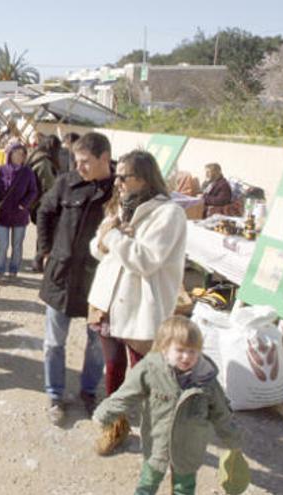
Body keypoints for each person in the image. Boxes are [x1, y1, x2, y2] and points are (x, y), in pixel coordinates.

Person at [88, 150, 187, 455]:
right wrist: (111, 236)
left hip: (139, 309)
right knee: (113, 369)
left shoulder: (168, 214)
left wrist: (116, 238)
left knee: (147, 377)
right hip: (108, 302)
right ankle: (116, 428)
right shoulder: (121, 207)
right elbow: (97, 247)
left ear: (144, 179)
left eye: (123, 176)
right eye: (117, 175)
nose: (116, 182)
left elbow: (146, 261)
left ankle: (160, 433)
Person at [93, 316, 243, 495]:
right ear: (164, 349)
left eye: (193, 351)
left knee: (184, 487)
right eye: (180, 350)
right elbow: (125, 395)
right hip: (157, 442)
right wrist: (104, 413)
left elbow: (221, 412)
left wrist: (232, 439)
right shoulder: (150, 369)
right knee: (147, 483)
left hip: (189, 446)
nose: (187, 356)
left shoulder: (206, 379)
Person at [37, 132, 115, 425]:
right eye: (75, 161)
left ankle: (88, 393)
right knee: (54, 342)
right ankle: (55, 395)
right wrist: (45, 250)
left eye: (84, 162)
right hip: (61, 274)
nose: (78, 167)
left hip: (99, 281)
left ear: (104, 159)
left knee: (96, 343)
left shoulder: (118, 191)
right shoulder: (66, 183)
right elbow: (44, 211)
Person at [0, 142, 38, 279]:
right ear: (10, 154)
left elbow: (33, 191)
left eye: (23, 154)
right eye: (17, 153)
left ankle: (13, 270)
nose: (20, 156)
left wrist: (24, 204)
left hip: (20, 215)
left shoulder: (28, 172)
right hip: (2, 214)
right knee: (2, 244)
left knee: (17, 245)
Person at [28, 133, 62, 272]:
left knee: (43, 232)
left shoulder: (35, 155)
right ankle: (38, 260)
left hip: (34, 202)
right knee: (46, 232)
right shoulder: (44, 161)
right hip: (42, 203)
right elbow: (49, 184)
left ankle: (38, 260)